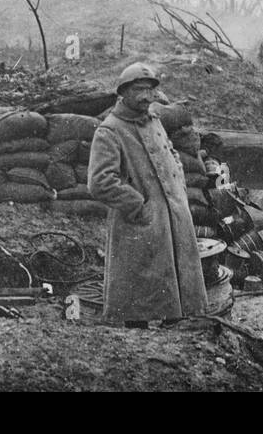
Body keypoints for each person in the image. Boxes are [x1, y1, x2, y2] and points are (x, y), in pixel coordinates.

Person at [88, 62, 206, 326]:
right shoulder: (111, 130)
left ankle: (175, 326)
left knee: (174, 284)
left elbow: (171, 151)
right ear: (123, 93)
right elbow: (99, 181)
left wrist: (179, 187)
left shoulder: (154, 120)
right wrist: (138, 205)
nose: (145, 96)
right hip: (140, 221)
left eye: (149, 90)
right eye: (138, 90)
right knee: (138, 292)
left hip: (171, 215)